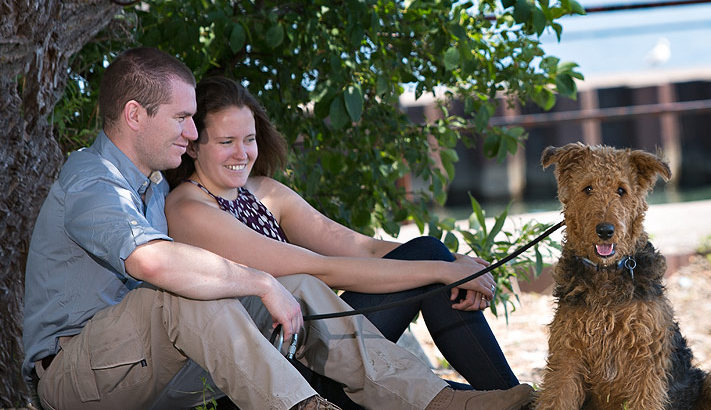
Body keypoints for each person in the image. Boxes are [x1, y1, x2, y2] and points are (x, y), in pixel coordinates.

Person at [22, 47, 533, 410]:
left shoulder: (154, 183)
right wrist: (259, 281)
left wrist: (270, 283)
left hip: (158, 371)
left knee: (300, 284)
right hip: (79, 376)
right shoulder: (93, 184)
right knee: (187, 288)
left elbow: (338, 254)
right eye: (181, 118)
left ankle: (436, 408)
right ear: (135, 115)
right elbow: (152, 262)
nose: (192, 132)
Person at [162, 76, 520, 392]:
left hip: (322, 344)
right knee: (463, 391)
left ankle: (518, 408)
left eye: (250, 139)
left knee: (428, 253)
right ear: (193, 144)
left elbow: (360, 247)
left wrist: (452, 263)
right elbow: (322, 270)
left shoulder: (263, 191)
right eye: (226, 142)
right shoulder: (190, 209)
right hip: (284, 370)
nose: (242, 153)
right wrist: (442, 272)